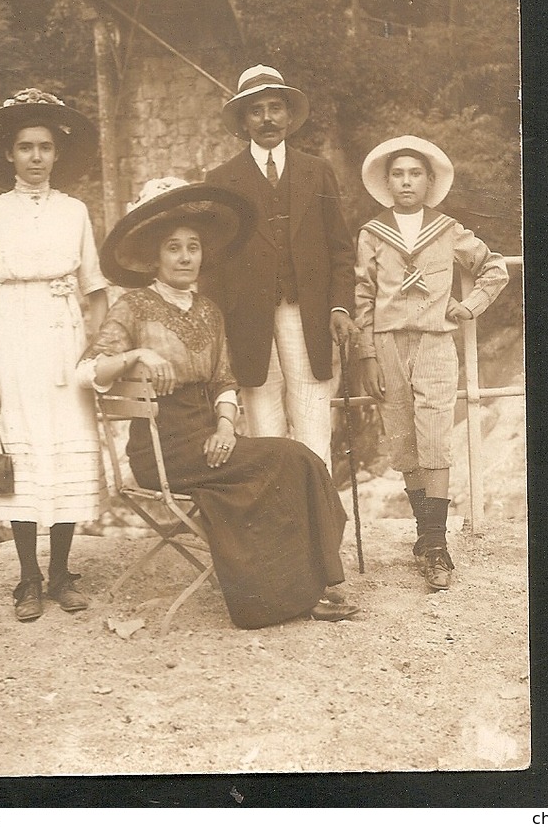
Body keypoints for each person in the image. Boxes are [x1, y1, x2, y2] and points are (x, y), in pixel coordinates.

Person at [77, 177, 359, 630]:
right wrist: (136, 355)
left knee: (295, 460)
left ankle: (299, 590)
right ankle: (295, 593)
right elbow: (86, 371)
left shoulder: (208, 310)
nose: (185, 256)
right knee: (289, 457)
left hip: (209, 439)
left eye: (193, 246)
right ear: (155, 256)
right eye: (173, 248)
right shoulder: (132, 306)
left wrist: (226, 428)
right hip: (161, 448)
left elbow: (226, 380)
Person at [0, 88, 108, 622]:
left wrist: (95, 347)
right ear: (10, 154)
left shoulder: (75, 211)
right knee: (21, 457)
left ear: (56, 153)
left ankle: (61, 573)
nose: (35, 157)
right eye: (25, 147)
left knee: (67, 446)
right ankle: (28, 577)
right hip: (11, 338)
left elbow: (95, 289)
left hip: (64, 338)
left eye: (45, 147)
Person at [355, 136, 509, 591]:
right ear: (387, 182)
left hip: (438, 342)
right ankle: (426, 537)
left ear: (428, 181)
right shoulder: (371, 234)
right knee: (402, 437)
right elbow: (363, 297)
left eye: (414, 174)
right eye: (398, 174)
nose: (406, 182)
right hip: (386, 343)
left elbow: (494, 267)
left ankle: (435, 543)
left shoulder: (447, 229)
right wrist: (366, 354)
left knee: (436, 434)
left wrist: (469, 306)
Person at [202, 65, 357, 470]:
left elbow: (341, 249)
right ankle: (276, 522)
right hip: (247, 321)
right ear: (243, 120)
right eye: (256, 110)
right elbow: (213, 265)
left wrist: (340, 307)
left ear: (289, 116)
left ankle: (317, 519)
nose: (267, 118)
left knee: (312, 416)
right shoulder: (221, 179)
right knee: (264, 426)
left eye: (275, 108)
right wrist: (218, 328)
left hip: (309, 315)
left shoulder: (317, 170)